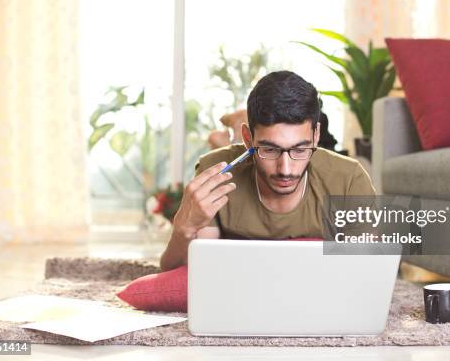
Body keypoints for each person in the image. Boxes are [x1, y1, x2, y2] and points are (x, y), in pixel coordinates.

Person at [160, 70, 375, 271]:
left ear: (316, 136)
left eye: (300, 149)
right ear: (248, 138)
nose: (286, 169)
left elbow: (369, 270)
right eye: (270, 149)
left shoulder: (349, 179)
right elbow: (189, 271)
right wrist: (183, 229)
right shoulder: (215, 173)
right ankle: (232, 133)